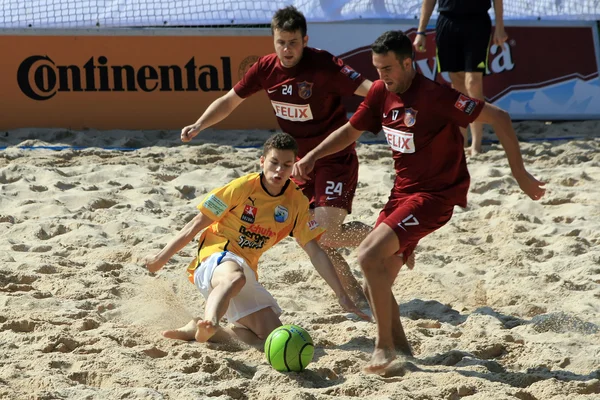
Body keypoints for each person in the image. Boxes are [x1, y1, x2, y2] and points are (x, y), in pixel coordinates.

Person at [293, 30, 545, 374]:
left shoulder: (436, 95)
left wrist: (519, 173)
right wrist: (312, 156)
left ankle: (382, 349)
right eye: (377, 69)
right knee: (373, 279)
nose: (381, 76)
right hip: (401, 194)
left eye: (387, 68)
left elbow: (499, 117)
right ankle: (403, 350)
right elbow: (351, 130)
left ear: (409, 63)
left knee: (366, 256)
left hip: (435, 197)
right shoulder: (382, 92)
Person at [179, 6, 373, 308]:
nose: (287, 49)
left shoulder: (324, 64)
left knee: (329, 233)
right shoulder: (265, 69)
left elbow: (370, 91)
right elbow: (230, 101)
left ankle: (391, 236)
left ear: (305, 40)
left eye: (293, 42)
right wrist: (200, 123)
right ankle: (355, 298)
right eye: (281, 42)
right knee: (316, 238)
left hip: (335, 158)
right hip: (295, 165)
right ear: (273, 40)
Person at [145, 133, 368, 347]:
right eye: (274, 162)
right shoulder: (241, 187)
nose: (279, 170)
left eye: (287, 165)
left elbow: (316, 252)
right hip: (217, 255)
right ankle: (211, 320)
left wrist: (342, 296)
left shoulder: (296, 202)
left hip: (246, 267)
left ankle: (197, 328)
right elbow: (194, 225)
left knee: (271, 339)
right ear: (262, 162)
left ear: (293, 166)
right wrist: (159, 258)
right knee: (234, 277)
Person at [413, 0, 508, 155]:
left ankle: (477, 144)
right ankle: (461, 142)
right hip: (447, 21)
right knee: (457, 83)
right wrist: (420, 31)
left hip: (477, 22)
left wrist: (500, 27)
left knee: (473, 82)